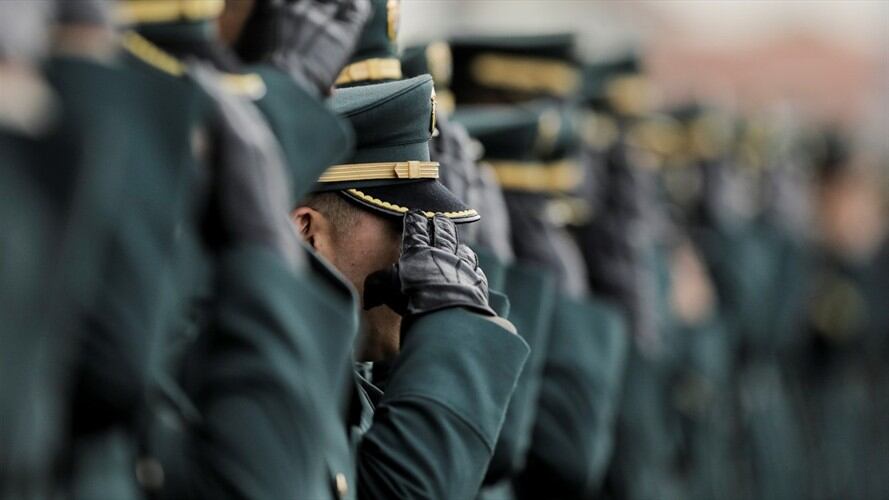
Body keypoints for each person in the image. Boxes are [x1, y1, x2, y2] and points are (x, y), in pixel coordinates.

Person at [293, 74, 530, 500]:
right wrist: (454, 339)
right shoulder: (272, 389)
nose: (428, 260)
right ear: (307, 233)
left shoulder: (341, 383)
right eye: (408, 230)